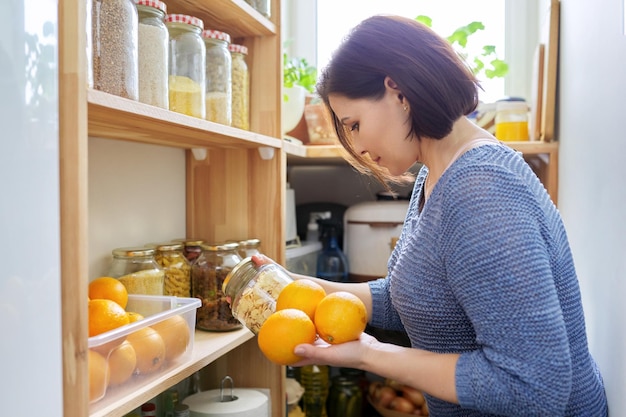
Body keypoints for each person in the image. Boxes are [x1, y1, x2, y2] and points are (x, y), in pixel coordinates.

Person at [257, 14, 608, 416]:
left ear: (397, 90)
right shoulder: (434, 172)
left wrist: (371, 356)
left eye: (354, 124)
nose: (355, 145)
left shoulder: (481, 189)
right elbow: (409, 296)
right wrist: (291, 283)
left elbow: (533, 387)